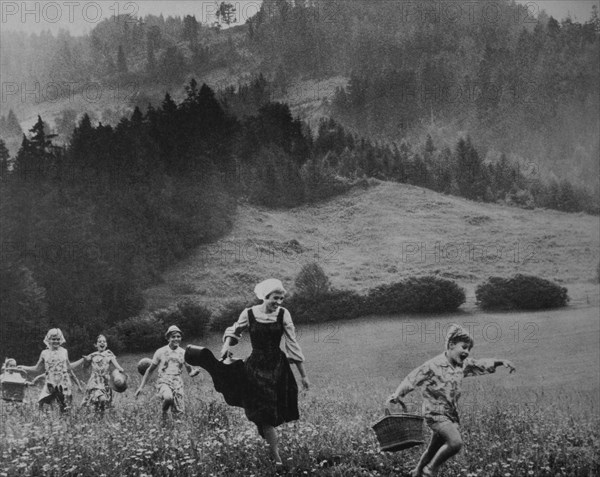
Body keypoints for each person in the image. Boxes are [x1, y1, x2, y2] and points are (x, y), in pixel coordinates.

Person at [387, 324, 516, 477]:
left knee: (434, 448)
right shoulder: (433, 365)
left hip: (450, 413)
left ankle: (417, 471)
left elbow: (479, 364)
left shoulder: (462, 365)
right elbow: (412, 379)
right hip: (434, 413)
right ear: (451, 345)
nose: (467, 352)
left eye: (469, 349)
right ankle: (430, 470)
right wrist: (397, 394)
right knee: (455, 443)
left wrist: (500, 362)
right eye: (464, 347)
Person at [219, 278, 310, 467]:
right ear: (265, 297)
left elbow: (292, 344)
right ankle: (274, 452)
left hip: (277, 368)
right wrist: (226, 346)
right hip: (254, 367)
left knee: (267, 412)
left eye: (281, 299)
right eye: (275, 298)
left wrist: (303, 375)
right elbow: (235, 330)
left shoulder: (284, 314)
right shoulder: (249, 313)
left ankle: (274, 452)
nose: (278, 302)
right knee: (258, 410)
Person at [135, 325, 200, 420]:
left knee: (179, 415)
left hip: (177, 383)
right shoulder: (160, 352)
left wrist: (195, 373)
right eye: (173, 337)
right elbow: (150, 370)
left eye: (178, 336)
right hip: (164, 381)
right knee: (168, 398)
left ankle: (174, 428)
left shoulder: (183, 353)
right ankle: (163, 413)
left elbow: (190, 372)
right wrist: (141, 387)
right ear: (168, 338)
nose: (176, 339)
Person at [19, 328, 76, 412]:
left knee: (63, 406)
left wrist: (83, 361)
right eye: (53, 339)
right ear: (49, 339)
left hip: (63, 382)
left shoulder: (64, 351)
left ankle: (63, 422)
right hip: (50, 382)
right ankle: (46, 421)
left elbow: (69, 366)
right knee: (41, 403)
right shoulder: (44, 353)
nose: (56, 341)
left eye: (58, 339)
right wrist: (24, 367)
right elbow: (37, 368)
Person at [72, 334, 124, 413]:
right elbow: (84, 367)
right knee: (101, 398)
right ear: (96, 345)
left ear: (106, 344)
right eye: (100, 342)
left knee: (101, 402)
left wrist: (121, 371)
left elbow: (117, 366)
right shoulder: (93, 355)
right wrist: (86, 360)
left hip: (105, 382)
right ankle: (96, 413)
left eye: (104, 341)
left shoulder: (110, 355)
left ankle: (99, 415)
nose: (102, 343)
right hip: (95, 381)